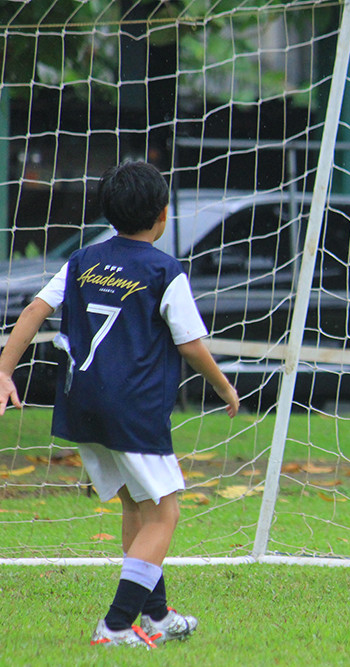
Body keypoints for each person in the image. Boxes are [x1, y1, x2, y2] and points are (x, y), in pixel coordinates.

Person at [0, 160, 240, 648]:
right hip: (133, 409)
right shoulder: (164, 270)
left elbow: (33, 311)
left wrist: (4, 371)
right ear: (163, 215)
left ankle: (153, 615)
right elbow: (192, 346)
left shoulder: (83, 258)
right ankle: (114, 626)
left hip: (82, 404)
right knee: (166, 514)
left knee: (139, 502)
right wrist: (223, 387)